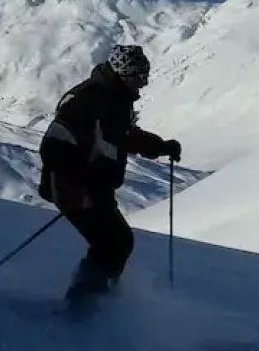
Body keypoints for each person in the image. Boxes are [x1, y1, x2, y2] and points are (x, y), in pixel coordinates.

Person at [37, 43, 182, 303]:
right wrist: (80, 174)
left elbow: (123, 136)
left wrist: (160, 146)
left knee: (116, 243)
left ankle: (92, 300)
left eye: (145, 76)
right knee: (113, 244)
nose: (143, 83)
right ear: (123, 74)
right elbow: (54, 143)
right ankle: (85, 307)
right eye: (139, 77)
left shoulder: (115, 100)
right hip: (75, 188)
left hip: (94, 187)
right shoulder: (88, 100)